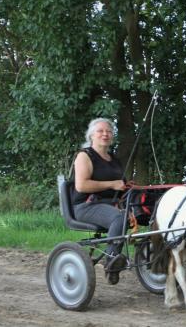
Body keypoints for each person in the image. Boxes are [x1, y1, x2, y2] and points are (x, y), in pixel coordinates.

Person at [72, 118, 128, 285]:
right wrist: (112, 184)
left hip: (111, 205)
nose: (105, 134)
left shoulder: (113, 159)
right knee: (119, 218)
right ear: (92, 135)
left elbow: (122, 184)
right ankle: (110, 261)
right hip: (87, 206)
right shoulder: (85, 156)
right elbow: (81, 186)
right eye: (100, 131)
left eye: (109, 131)